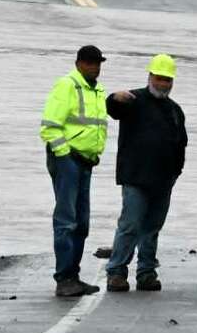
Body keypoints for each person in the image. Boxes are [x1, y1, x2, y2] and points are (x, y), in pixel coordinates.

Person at [102, 53, 188, 292]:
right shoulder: (133, 100)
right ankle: (117, 272)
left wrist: (176, 172)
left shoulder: (175, 111)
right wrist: (113, 98)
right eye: (159, 78)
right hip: (135, 178)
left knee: (152, 229)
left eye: (167, 80)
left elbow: (181, 143)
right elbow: (113, 108)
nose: (163, 84)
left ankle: (146, 272)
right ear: (150, 76)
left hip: (164, 181)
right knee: (130, 225)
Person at [39, 44, 109, 297]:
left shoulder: (97, 90)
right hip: (68, 160)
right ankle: (64, 278)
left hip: (86, 161)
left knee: (81, 223)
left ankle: (73, 276)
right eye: (90, 63)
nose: (94, 67)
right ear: (78, 63)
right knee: (67, 221)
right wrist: (64, 154)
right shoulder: (67, 85)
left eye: (97, 63)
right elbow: (49, 126)